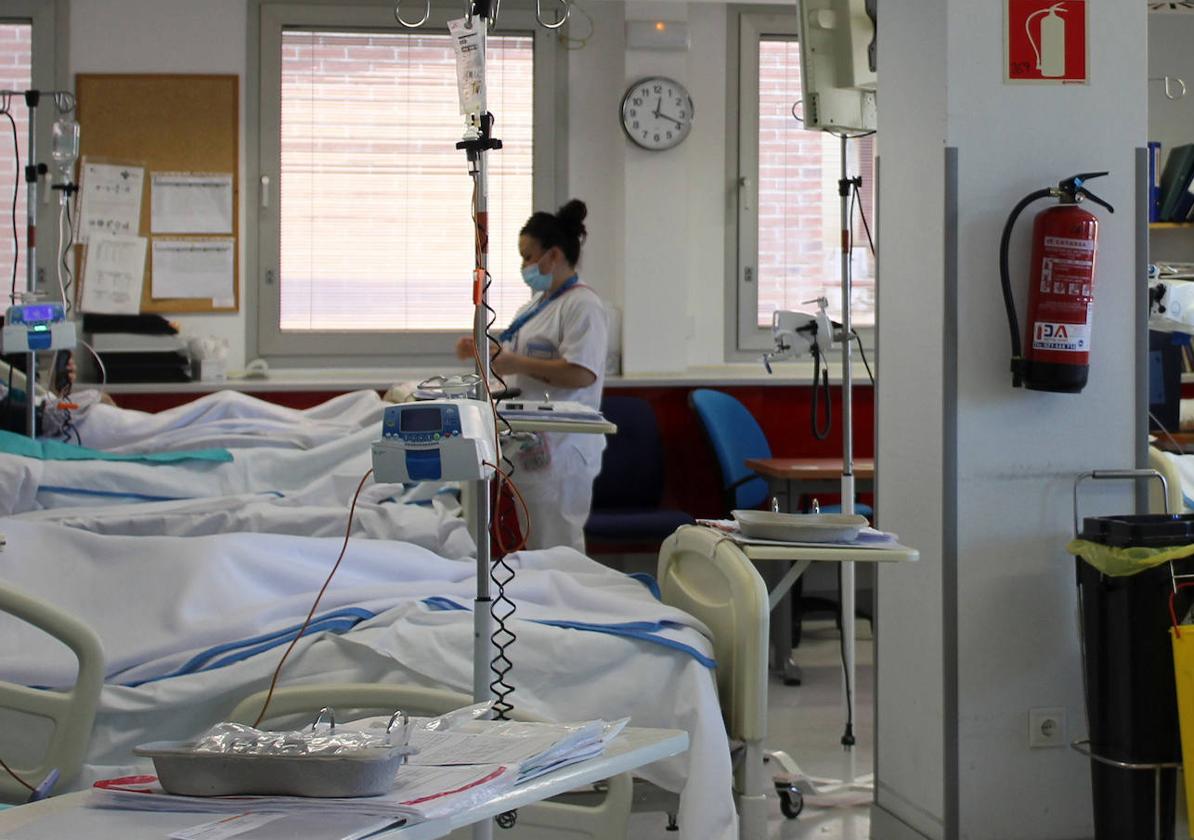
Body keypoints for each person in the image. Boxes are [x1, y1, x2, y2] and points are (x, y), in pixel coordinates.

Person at [455, 199, 608, 553]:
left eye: (528, 256)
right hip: (528, 444)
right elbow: (514, 359)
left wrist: (517, 363)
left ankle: (567, 607)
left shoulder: (582, 306)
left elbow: (581, 374)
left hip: (562, 448)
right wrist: (485, 351)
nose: (525, 266)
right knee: (534, 546)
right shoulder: (537, 306)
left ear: (553, 256)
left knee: (557, 548)